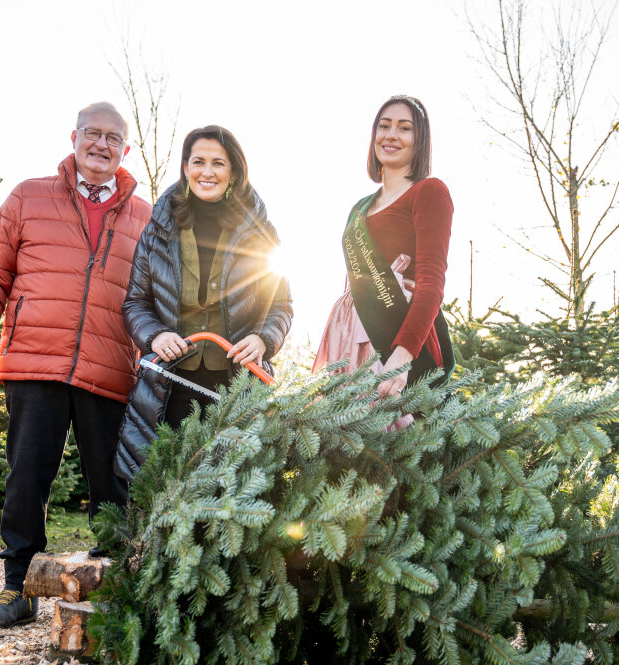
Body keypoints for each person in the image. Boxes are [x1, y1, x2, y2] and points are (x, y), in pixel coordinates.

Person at [0, 101, 152, 628]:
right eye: (93, 134)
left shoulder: (146, 216)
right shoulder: (29, 196)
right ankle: (17, 589)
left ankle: (113, 589)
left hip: (110, 370)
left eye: (113, 138)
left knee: (113, 487)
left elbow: (159, 296)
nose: (101, 145)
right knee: (27, 479)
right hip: (34, 363)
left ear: (125, 149)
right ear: (74, 137)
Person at [114, 125, 293, 480]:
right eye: (198, 161)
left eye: (218, 163)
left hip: (237, 381)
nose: (206, 172)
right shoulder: (158, 231)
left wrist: (262, 340)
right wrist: (155, 337)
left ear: (234, 173)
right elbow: (135, 303)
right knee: (168, 480)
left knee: (231, 485)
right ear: (185, 167)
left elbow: (281, 306)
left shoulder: (260, 233)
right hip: (169, 382)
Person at [313, 95, 454, 399]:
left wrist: (402, 359)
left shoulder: (429, 192)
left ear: (420, 140)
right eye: (384, 126)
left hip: (396, 337)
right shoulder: (360, 208)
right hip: (351, 337)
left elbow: (432, 284)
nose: (391, 135)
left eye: (405, 128)